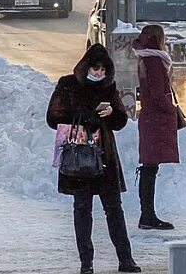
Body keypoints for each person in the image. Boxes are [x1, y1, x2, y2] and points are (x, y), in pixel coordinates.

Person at [47, 44, 141, 274]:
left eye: (103, 69)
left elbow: (120, 122)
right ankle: (86, 264)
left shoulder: (109, 88)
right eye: (95, 68)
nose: (99, 73)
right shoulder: (67, 84)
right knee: (82, 210)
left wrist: (113, 114)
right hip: (78, 158)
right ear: (86, 66)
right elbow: (53, 117)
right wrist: (85, 117)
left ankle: (126, 260)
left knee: (114, 209)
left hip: (105, 157)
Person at [132, 24, 179, 231]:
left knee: (149, 168)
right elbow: (158, 94)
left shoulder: (145, 59)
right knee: (150, 169)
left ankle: (147, 215)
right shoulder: (155, 62)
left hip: (150, 119)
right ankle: (147, 216)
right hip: (156, 120)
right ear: (158, 39)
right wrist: (171, 109)